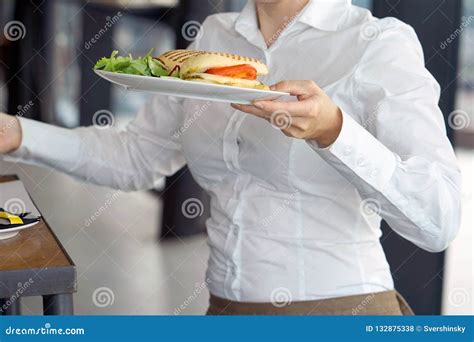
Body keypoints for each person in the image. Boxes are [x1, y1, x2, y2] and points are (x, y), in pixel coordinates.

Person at [0, 0, 461, 315]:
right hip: (224, 311)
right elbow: (134, 155)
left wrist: (334, 132)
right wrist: (16, 132)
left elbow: (437, 219)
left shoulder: (376, 43)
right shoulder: (216, 35)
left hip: (340, 311)